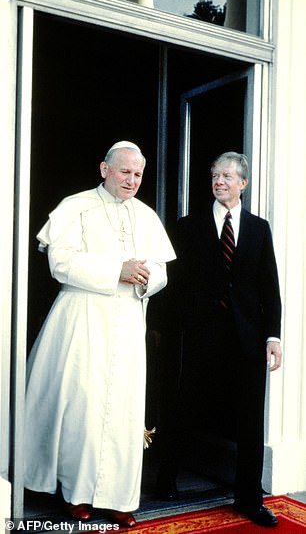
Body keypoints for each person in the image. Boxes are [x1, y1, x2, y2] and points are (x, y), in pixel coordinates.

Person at [24, 141, 176, 528]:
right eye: (125, 171)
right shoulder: (76, 206)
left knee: (124, 410)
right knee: (83, 407)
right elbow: (60, 262)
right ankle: (77, 493)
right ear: (104, 169)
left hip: (127, 320)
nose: (132, 180)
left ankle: (118, 497)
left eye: (138, 174)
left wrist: (145, 277)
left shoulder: (145, 216)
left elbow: (161, 268)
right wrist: (116, 271)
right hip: (83, 318)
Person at [157, 152, 282, 528]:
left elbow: (268, 286)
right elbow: (173, 284)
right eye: (215, 175)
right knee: (183, 405)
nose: (219, 181)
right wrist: (163, 327)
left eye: (227, 176)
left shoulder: (259, 229)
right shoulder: (188, 226)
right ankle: (166, 480)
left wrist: (273, 336)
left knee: (249, 417)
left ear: (243, 183)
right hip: (199, 332)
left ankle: (249, 497)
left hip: (247, 336)